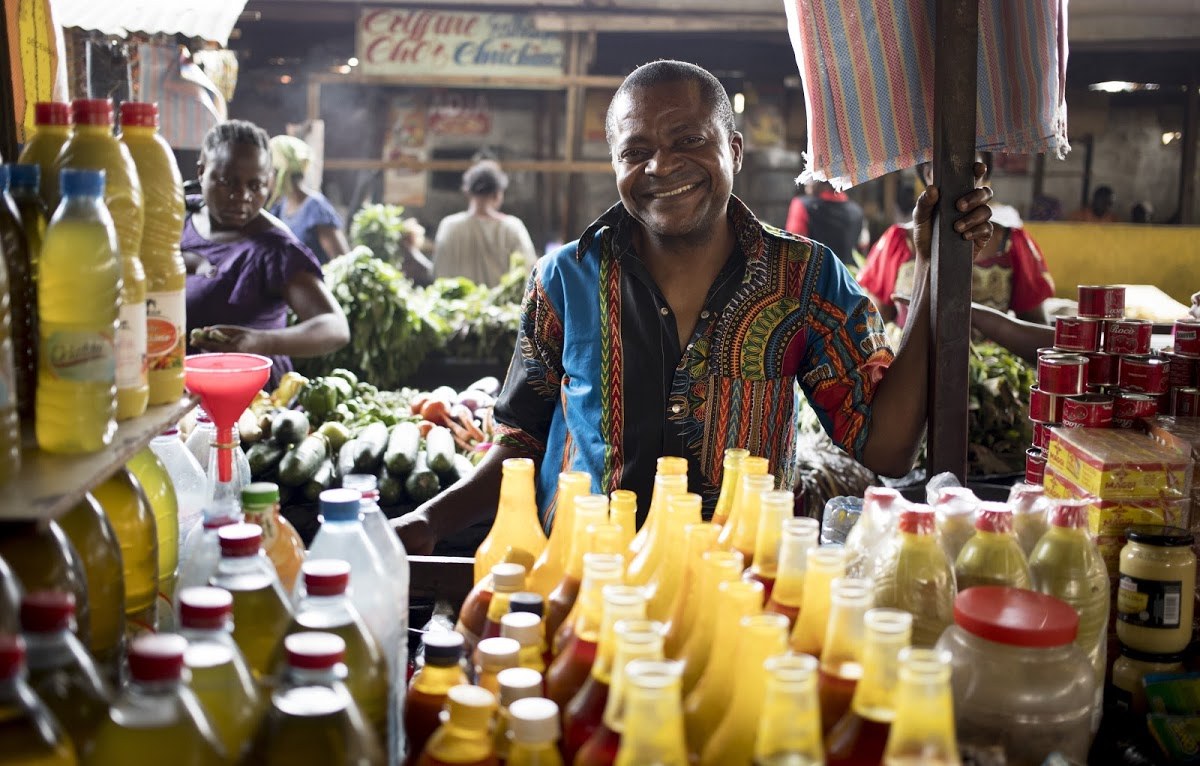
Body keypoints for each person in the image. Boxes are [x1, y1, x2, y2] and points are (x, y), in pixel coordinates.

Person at [394, 60, 993, 554]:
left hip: (738, 598)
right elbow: (519, 445)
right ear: (616, 166)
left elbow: (885, 447)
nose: (661, 165)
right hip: (587, 590)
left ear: (734, 149)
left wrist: (933, 269)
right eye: (636, 150)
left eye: (689, 140)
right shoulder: (562, 281)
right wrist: (424, 524)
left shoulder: (805, 281)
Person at [185, 120, 350, 388]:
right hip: (180, 393)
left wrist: (259, 341)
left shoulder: (273, 248)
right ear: (202, 173)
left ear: (270, 182)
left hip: (252, 404)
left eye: (256, 185)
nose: (242, 196)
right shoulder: (179, 217)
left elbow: (334, 327)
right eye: (228, 182)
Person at [857, 159, 1054, 326]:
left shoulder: (1012, 243)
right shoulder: (898, 241)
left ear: (985, 180)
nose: (958, 182)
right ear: (927, 176)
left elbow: (1035, 326)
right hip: (913, 365)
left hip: (988, 365)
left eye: (971, 171)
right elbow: (875, 324)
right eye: (946, 171)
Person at [432, 160, 537, 286]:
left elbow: (437, 271)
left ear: (467, 193)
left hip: (455, 304)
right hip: (502, 305)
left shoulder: (449, 225)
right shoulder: (513, 227)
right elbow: (529, 273)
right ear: (498, 194)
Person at [267, 134, 351, 264]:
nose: (267, 179)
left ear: (281, 174)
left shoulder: (316, 208)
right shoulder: (280, 209)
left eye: (270, 172)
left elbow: (341, 261)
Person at [784, 179, 866, 266]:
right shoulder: (857, 211)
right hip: (848, 276)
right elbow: (862, 247)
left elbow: (793, 248)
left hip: (816, 276)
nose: (805, 182)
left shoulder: (801, 206)